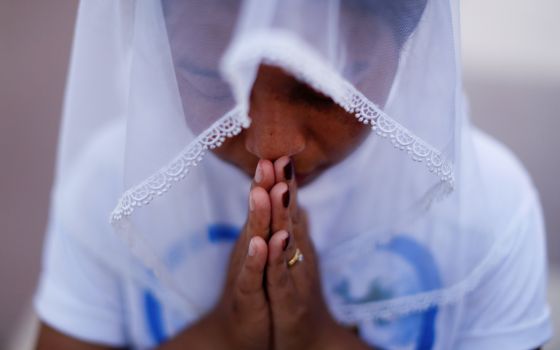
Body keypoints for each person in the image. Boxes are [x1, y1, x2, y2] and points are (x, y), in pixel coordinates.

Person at [35, 0, 552, 349]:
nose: (270, 146)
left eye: (325, 88)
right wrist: (222, 335)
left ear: (409, 37)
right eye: (215, 81)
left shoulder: (490, 214)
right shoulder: (110, 191)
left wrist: (320, 337)